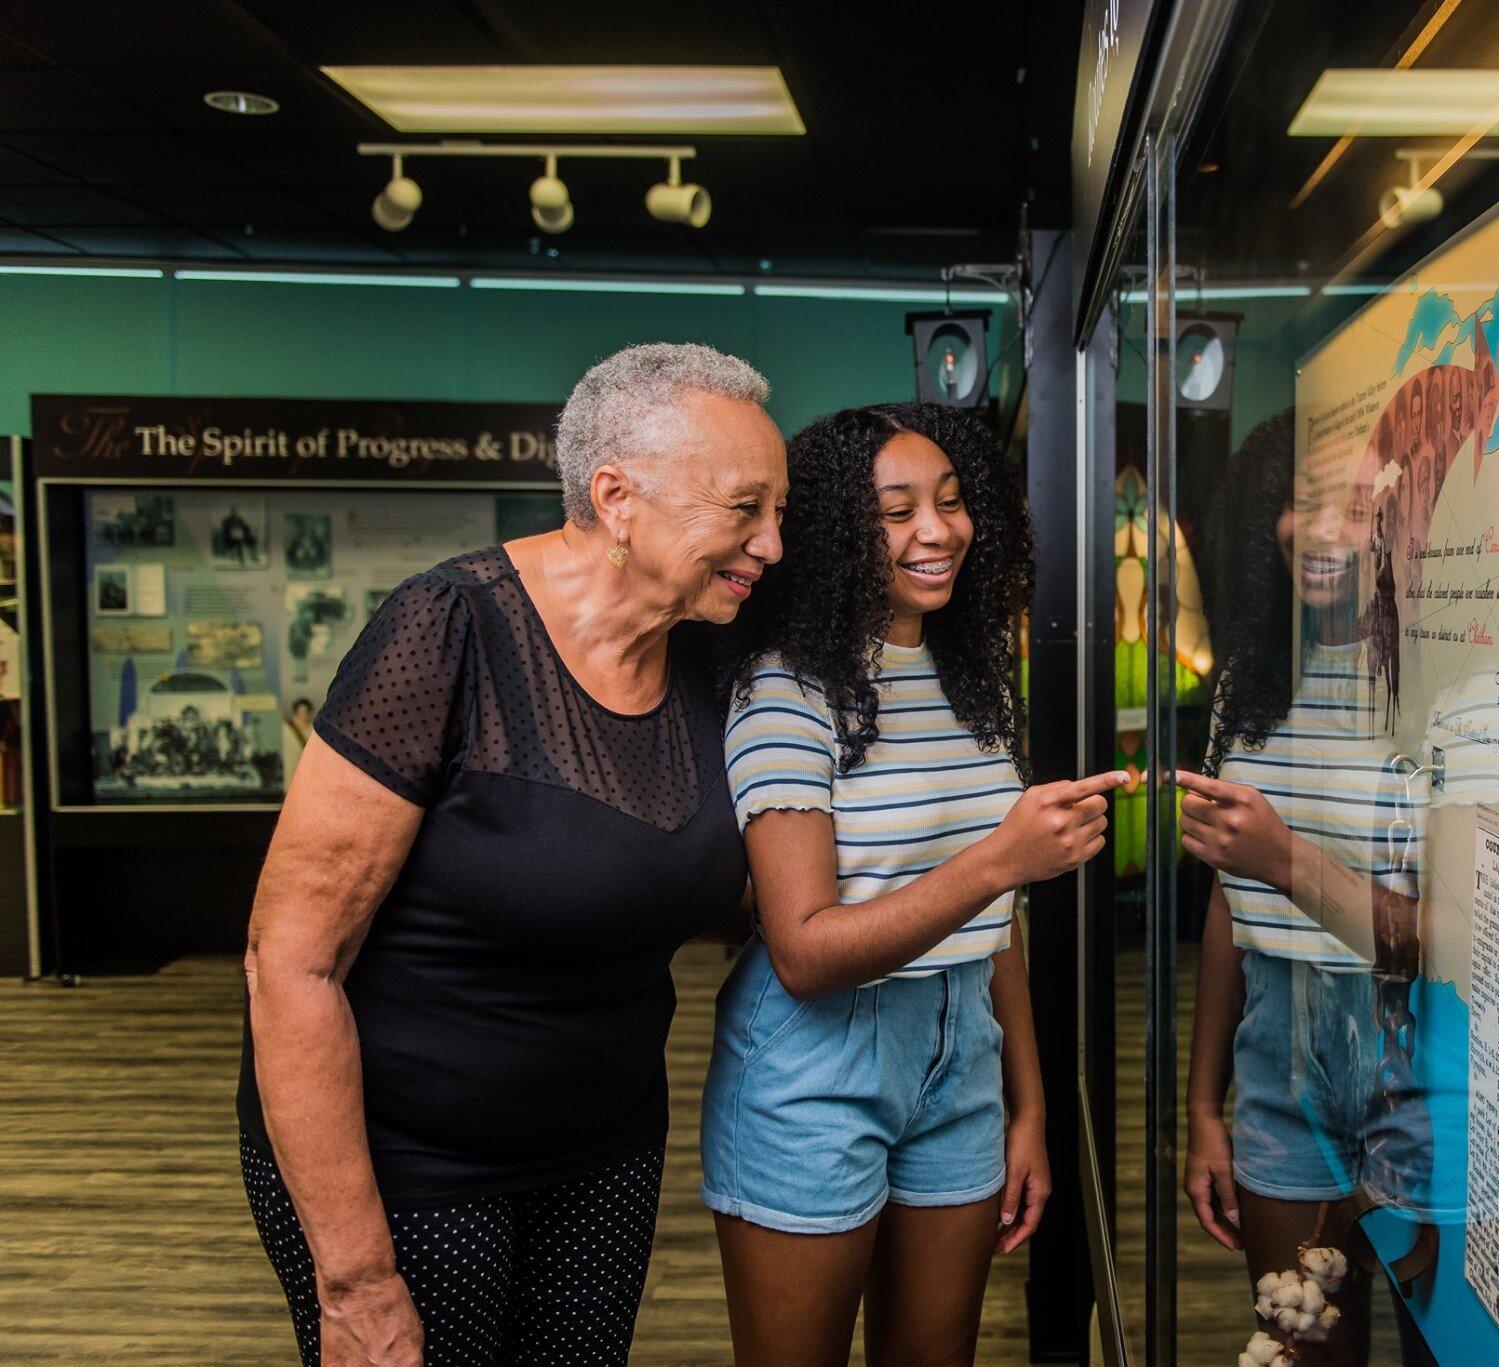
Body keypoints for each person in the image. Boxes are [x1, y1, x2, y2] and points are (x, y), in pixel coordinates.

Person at [238, 343, 786, 1366]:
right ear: (616, 496)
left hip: (601, 1148)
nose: (771, 542)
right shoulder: (448, 628)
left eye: (780, 511)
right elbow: (291, 957)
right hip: (407, 1159)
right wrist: (354, 1275)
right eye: (745, 508)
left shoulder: (715, 654)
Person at [711, 403, 1127, 1365]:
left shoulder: (972, 678)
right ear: (835, 535)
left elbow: (996, 925)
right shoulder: (787, 690)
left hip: (963, 1051)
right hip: (816, 1061)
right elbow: (807, 951)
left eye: (949, 502)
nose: (936, 531)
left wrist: (1027, 1104)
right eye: (896, 511)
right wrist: (999, 860)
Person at [1175, 410, 1437, 1365]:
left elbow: (1457, 937)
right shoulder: (1252, 677)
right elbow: (1227, 904)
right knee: (1302, 1350)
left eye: (1355, 505)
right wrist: (1206, 1106)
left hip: (1418, 1060)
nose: (1323, 529)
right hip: (1277, 1057)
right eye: (1299, 502)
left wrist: (1286, 856)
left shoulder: (1434, 675)